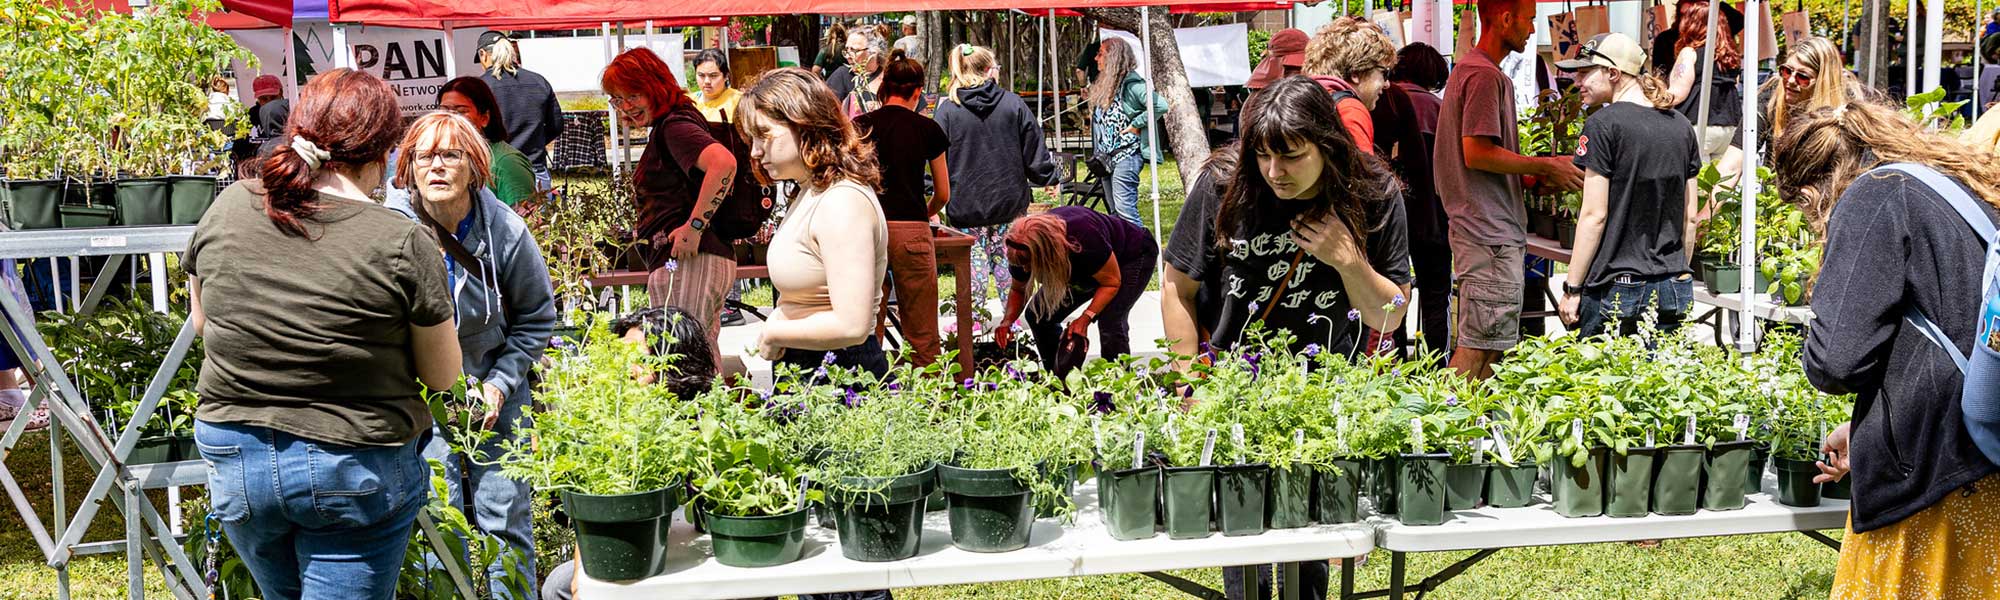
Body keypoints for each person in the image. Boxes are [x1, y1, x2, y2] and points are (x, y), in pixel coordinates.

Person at [186, 68, 463, 599]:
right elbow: (443, 373)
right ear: (383, 153)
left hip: (237, 455)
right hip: (351, 460)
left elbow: (203, 322)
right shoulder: (400, 239)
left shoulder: (229, 205)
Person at [1195, 76, 1411, 600]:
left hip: (1321, 402)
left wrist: (1348, 261)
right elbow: (1176, 289)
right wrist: (1191, 379)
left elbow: (1392, 316)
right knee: (1246, 554)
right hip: (1233, 394)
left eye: (1291, 155)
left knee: (1308, 549)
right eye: (1264, 156)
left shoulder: (1372, 194)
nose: (1275, 172)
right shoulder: (1227, 184)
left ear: (1327, 144)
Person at [1774, 102, 2000, 600]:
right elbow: (1948, 323)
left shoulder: (1873, 196)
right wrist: (1866, 425)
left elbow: (1837, 360)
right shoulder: (1954, 182)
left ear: (1813, 191)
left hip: (1932, 483)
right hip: (1984, 455)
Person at [384, 112, 557, 598]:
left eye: (450, 155)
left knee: (505, 519)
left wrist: (501, 383)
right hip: (418, 399)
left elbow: (537, 316)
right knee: (436, 523)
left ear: (475, 166)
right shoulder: (390, 230)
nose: (436, 166)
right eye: (424, 156)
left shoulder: (504, 229)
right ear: (408, 167)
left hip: (492, 386)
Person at [1438, 0, 1585, 379]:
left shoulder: (1471, 70)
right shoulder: (1484, 76)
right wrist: (1543, 164)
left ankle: (1472, 431)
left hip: (1484, 231)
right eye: (1528, 20)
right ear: (1505, 19)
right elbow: (1477, 152)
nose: (1533, 30)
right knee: (1478, 348)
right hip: (1488, 235)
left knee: (1490, 349)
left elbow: (1480, 158)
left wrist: (1531, 177)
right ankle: (1443, 428)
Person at [539, 306, 713, 600]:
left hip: (699, 562)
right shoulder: (611, 424)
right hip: (635, 553)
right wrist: (581, 583)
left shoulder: (707, 427)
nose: (626, 370)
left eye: (638, 360)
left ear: (675, 366)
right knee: (559, 582)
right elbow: (592, 509)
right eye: (621, 358)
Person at [740, 68, 891, 378]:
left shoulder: (842, 201)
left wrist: (774, 333)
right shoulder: (811, 191)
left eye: (764, 135)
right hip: (811, 366)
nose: (755, 151)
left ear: (805, 125)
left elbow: (852, 324)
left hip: (840, 374)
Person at [1550, 33, 1701, 337]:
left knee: (1604, 380)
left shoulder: (1603, 126)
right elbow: (1691, 216)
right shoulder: (1682, 127)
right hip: (1673, 283)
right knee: (1664, 381)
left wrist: (1573, 287)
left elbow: (1594, 215)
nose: (1577, 82)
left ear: (1614, 74)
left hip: (1617, 287)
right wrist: (1677, 270)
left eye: (1584, 72)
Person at [602, 47, 739, 367]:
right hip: (692, 259)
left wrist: (693, 227)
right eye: (618, 99)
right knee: (693, 357)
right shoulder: (672, 124)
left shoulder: (674, 126)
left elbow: (723, 164)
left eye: (632, 95)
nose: (625, 107)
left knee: (679, 359)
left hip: (690, 260)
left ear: (654, 86)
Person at [935, 44, 1062, 307]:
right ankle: (1016, 332)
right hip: (1009, 206)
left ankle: (972, 332)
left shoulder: (947, 111)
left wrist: (931, 192)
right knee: (1013, 276)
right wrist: (1048, 177)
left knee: (972, 279)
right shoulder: (1012, 104)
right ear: (989, 70)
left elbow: (934, 159)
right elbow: (1034, 149)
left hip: (965, 207)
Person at [856, 49, 951, 368]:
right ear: (918, 91)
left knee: (867, 327)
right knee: (923, 331)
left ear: (883, 87)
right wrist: (926, 211)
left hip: (868, 229)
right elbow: (943, 193)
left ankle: (868, 398)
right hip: (912, 229)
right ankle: (929, 404)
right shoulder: (928, 129)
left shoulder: (861, 126)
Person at [992, 207, 1157, 372]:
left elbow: (1110, 283)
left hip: (1131, 257)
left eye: (1030, 264)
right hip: (1084, 266)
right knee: (1038, 316)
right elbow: (1019, 290)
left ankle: (1119, 385)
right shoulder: (1020, 248)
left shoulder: (1083, 237)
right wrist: (1007, 321)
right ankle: (1058, 379)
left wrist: (1085, 318)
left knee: (1110, 320)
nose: (1026, 270)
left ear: (1045, 251)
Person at [1375, 42, 1451, 355]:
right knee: (1436, 294)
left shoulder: (1380, 101)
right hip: (1431, 215)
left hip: (1387, 217)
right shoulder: (1438, 108)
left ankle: (1398, 360)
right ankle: (1438, 365)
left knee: (1393, 292)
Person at [1086, 37, 1169, 231]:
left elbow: (1160, 105)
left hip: (1126, 156)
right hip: (1106, 160)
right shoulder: (1107, 84)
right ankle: (1125, 254)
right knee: (1114, 212)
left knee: (1125, 210)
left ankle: (1141, 252)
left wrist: (1136, 124)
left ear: (1113, 57)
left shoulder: (1131, 84)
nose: (1096, 58)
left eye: (1101, 53)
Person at [477, 31, 564, 192]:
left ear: (483, 54)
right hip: (535, 168)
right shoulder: (539, 81)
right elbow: (557, 125)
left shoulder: (478, 87)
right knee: (538, 217)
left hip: (494, 170)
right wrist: (534, 140)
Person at [1665, 0, 1744, 176]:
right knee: (1720, 186)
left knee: (1697, 186)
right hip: (1729, 127)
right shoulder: (1731, 58)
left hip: (1698, 126)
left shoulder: (1689, 53)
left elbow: (1677, 93)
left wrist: (1652, 100)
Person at [437, 77, 538, 206]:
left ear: (484, 118)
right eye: (444, 110)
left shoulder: (507, 163)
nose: (450, 117)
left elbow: (527, 221)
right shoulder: (437, 160)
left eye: (461, 111)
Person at [1302, 16, 1397, 153]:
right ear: (1356, 72)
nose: (1387, 84)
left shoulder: (1298, 98)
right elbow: (1361, 173)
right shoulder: (1349, 109)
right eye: (1385, 73)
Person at [841, 28, 890, 118]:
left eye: (854, 50)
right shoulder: (842, 75)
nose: (848, 56)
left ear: (874, 53)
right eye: (847, 50)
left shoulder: (892, 80)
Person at [693, 48, 744, 123]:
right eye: (701, 75)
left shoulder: (739, 102)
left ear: (726, 76)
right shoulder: (689, 102)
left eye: (713, 76)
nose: (707, 81)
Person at [248, 74, 289, 140]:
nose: (269, 102)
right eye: (264, 99)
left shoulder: (290, 110)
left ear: (281, 93)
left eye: (273, 97)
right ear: (258, 99)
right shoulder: (251, 115)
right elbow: (240, 148)